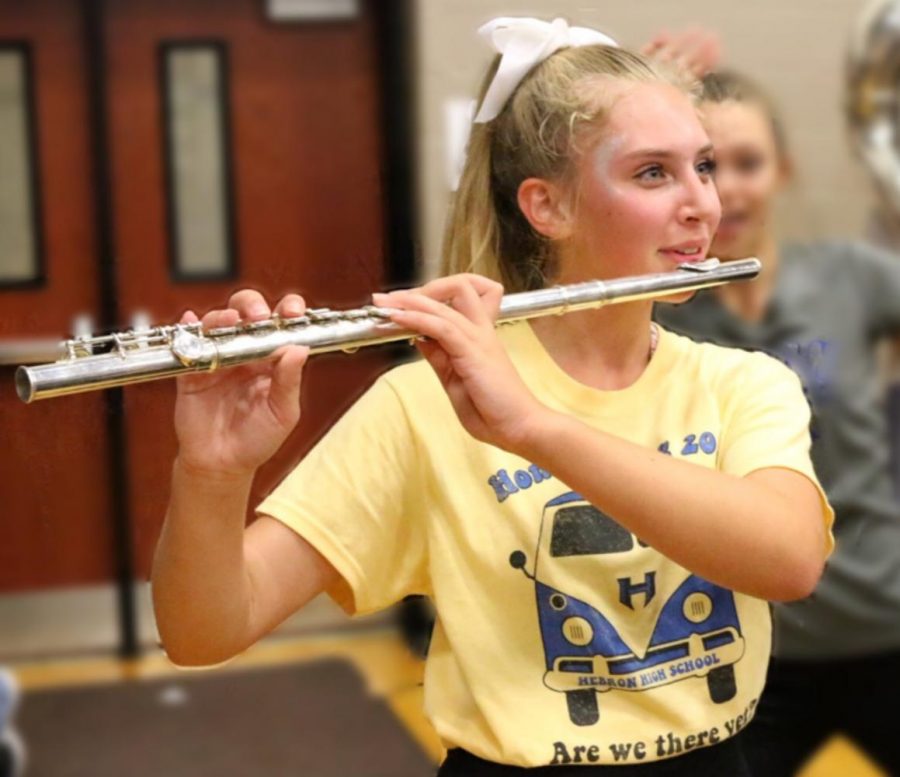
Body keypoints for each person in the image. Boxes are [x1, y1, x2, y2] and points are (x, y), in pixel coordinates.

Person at [151, 17, 833, 775]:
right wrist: (212, 474)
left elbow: (790, 559)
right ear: (549, 207)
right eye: (652, 173)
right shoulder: (423, 405)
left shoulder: (742, 384)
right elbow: (204, 630)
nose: (703, 202)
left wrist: (536, 428)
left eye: (700, 165)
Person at [655, 69, 900, 776]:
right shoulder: (652, 322)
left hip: (884, 627)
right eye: (704, 165)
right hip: (746, 656)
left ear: (783, 170)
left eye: (747, 163)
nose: (725, 188)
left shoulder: (850, 276)